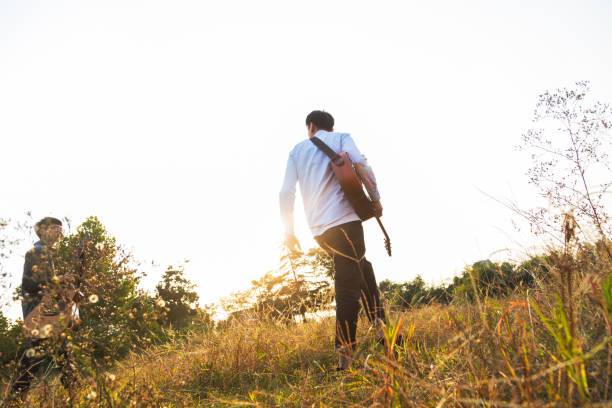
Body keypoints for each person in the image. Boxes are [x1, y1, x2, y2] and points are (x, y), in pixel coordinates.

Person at [279, 110, 387, 370]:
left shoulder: (296, 151)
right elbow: (360, 165)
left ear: (311, 126)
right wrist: (375, 197)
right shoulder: (341, 138)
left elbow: (286, 192)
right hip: (346, 222)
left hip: (319, 231)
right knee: (348, 283)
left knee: (361, 267)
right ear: (330, 126)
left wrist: (289, 231)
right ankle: (345, 357)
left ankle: (381, 329)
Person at [9, 217, 77, 398]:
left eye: (61, 228)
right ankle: (16, 396)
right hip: (38, 312)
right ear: (43, 231)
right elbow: (34, 284)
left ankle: (72, 391)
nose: (59, 232)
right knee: (37, 354)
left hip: (45, 311)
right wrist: (60, 279)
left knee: (58, 350)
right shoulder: (36, 252)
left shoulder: (45, 252)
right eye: (55, 227)